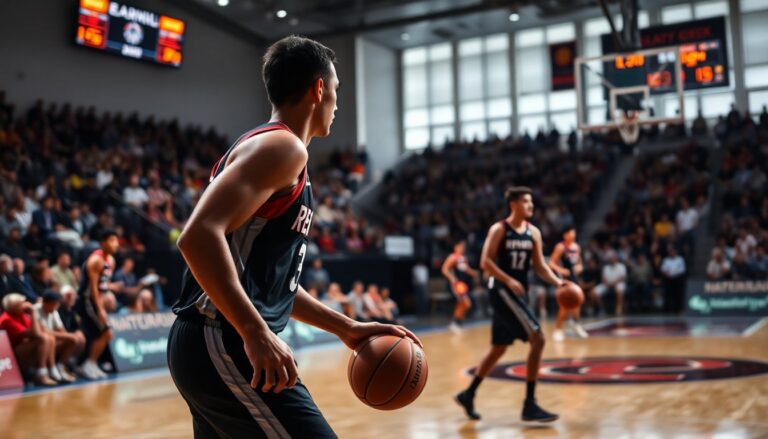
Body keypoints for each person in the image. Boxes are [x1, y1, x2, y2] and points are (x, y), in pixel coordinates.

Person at [168, 36, 421, 438]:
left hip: (210, 343)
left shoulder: (275, 150)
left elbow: (272, 286)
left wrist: (347, 328)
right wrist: (254, 332)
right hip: (222, 338)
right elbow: (197, 237)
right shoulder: (283, 148)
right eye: (336, 90)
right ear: (319, 88)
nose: (337, 104)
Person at [455, 186, 563, 423]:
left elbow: (539, 265)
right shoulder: (499, 229)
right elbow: (485, 262)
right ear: (513, 204)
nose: (530, 205)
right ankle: (529, 404)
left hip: (518, 293)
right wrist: (509, 279)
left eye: (531, 201)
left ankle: (468, 394)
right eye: (525, 201)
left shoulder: (533, 232)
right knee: (538, 338)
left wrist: (558, 282)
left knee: (499, 348)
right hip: (502, 290)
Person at [75, 229, 121, 380]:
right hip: (86, 300)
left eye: (116, 240)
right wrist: (100, 310)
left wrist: (110, 290)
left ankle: (91, 364)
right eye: (112, 240)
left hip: (97, 300)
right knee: (106, 332)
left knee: (100, 333)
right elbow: (93, 289)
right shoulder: (95, 261)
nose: (116, 244)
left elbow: (103, 285)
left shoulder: (111, 261)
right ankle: (88, 364)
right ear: (103, 243)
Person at [0, 293, 58, 386]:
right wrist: (33, 313)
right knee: (43, 339)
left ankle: (51, 369)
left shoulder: (21, 315)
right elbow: (37, 334)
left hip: (23, 346)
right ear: (13, 307)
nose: (26, 305)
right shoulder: (6, 320)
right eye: (22, 303)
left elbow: (38, 331)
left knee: (49, 338)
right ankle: (41, 373)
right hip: (11, 355)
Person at [549, 226, 588, 341]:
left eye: (573, 232)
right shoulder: (560, 247)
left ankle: (576, 326)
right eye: (570, 233)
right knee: (564, 305)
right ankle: (557, 330)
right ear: (565, 235)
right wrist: (561, 270)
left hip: (575, 278)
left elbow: (579, 262)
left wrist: (580, 267)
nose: (572, 235)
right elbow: (551, 263)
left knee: (577, 303)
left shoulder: (576, 247)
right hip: (564, 280)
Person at [34, 291, 77, 383]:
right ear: (45, 303)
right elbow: (43, 332)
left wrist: (70, 336)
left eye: (57, 305)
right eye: (53, 304)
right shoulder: (35, 310)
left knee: (72, 340)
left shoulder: (54, 311)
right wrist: (69, 335)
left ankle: (59, 367)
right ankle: (43, 372)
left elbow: (62, 330)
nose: (55, 307)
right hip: (36, 343)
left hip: (49, 340)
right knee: (50, 339)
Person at [442, 240, 479, 333]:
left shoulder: (463, 258)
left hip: (464, 284)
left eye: (464, 247)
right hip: (457, 284)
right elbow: (444, 269)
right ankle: (455, 323)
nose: (462, 248)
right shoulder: (452, 257)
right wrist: (452, 278)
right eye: (461, 246)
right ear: (456, 247)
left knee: (462, 304)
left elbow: (467, 270)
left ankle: (456, 324)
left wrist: (474, 273)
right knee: (467, 303)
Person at [595, 251, 627, 316]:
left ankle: (619, 307)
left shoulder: (621, 266)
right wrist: (608, 284)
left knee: (619, 289)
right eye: (611, 258)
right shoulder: (606, 267)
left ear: (616, 258)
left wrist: (613, 284)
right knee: (594, 292)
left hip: (618, 284)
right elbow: (603, 279)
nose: (612, 259)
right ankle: (601, 309)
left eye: (613, 258)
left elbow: (622, 278)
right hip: (607, 285)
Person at [661, 245, 686, 314]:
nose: (672, 253)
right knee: (668, 295)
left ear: (676, 252)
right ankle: (667, 310)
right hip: (668, 279)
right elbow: (663, 270)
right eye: (671, 252)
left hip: (677, 279)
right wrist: (671, 272)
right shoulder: (666, 260)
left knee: (678, 294)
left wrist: (671, 271)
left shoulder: (680, 259)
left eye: (673, 252)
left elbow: (682, 270)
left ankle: (678, 309)